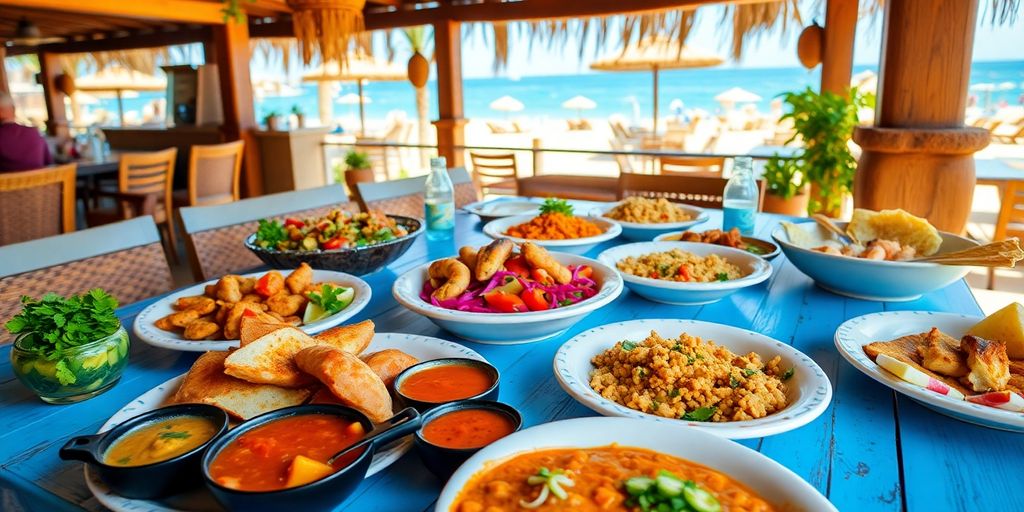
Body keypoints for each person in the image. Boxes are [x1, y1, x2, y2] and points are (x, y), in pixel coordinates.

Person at [0, 91, 53, 172]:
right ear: (13, 110)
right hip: (41, 179)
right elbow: (48, 162)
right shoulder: (34, 132)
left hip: (9, 180)